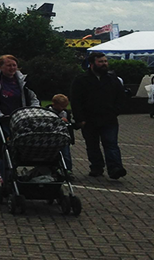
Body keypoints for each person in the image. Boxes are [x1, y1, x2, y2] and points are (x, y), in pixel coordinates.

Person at [0, 54, 40, 179]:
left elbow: (33, 97)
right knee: (5, 149)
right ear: (1, 67)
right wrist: (0, 115)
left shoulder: (23, 81)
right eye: (8, 65)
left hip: (21, 120)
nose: (12, 68)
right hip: (1, 121)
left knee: (22, 148)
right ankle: (6, 178)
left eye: (14, 65)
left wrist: (33, 112)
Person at [71, 51, 127, 179]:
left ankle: (115, 168)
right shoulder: (81, 80)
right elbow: (76, 101)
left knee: (111, 144)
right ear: (92, 64)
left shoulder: (113, 79)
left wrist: (116, 110)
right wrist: (80, 119)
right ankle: (96, 167)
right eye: (100, 62)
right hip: (89, 119)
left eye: (105, 61)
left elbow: (121, 97)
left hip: (109, 119)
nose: (104, 64)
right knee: (92, 145)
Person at [47, 94, 74, 175]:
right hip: (51, 137)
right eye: (62, 106)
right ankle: (51, 168)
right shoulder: (48, 111)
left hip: (63, 137)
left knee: (66, 154)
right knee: (50, 154)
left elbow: (70, 125)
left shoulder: (66, 113)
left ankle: (68, 169)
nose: (64, 108)